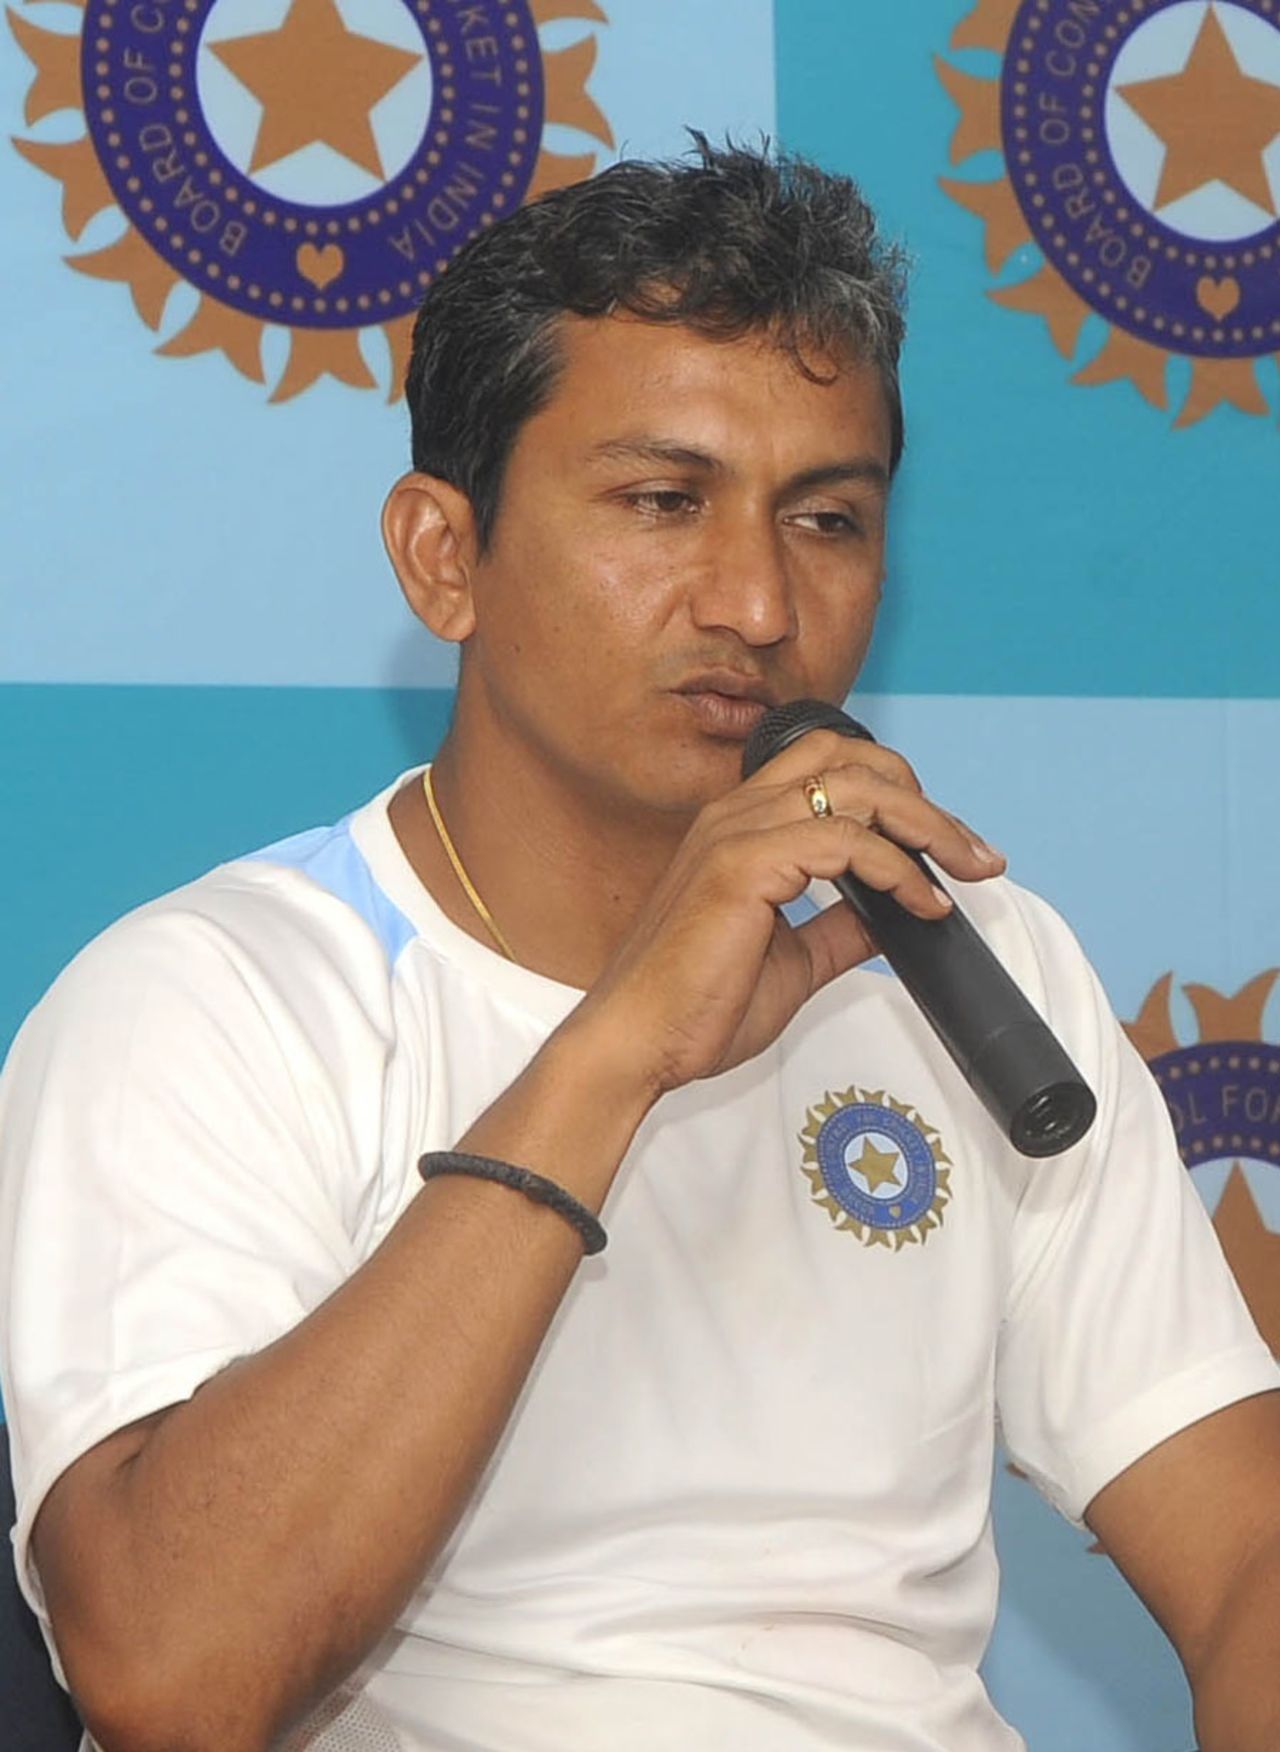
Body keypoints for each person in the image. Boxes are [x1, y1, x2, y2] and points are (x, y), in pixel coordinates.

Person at [1, 137, 1277, 1752]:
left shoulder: (969, 957)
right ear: (443, 556)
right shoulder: (212, 999)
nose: (754, 598)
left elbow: (1247, 1551)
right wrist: (617, 1048)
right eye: (664, 502)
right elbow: (175, 1678)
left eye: (825, 518)